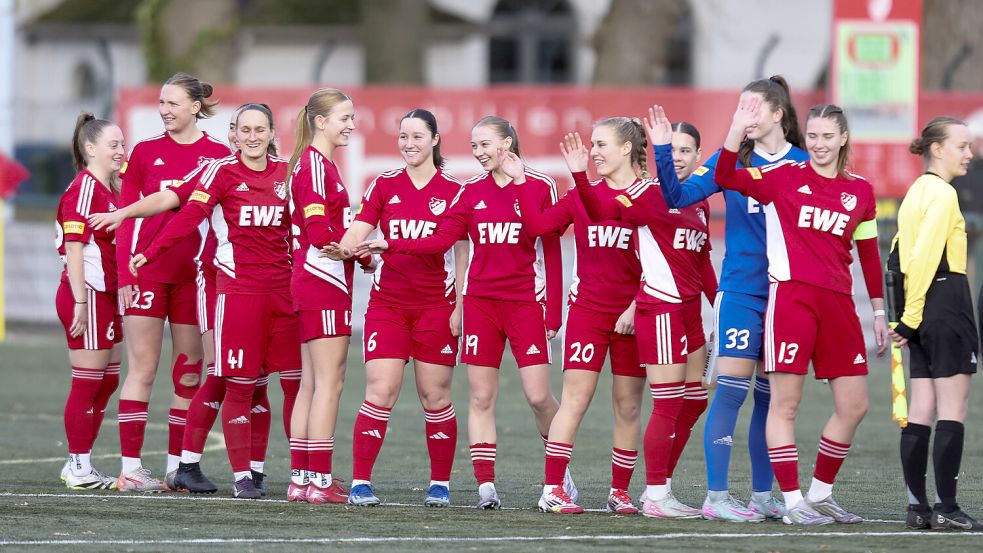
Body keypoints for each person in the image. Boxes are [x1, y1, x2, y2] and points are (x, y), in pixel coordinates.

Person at [353, 116, 569, 509]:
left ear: (508, 142)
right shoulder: (469, 193)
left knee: (539, 397)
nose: (479, 152)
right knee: (480, 398)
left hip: (525, 305)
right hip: (482, 305)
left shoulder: (540, 185)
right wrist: (390, 247)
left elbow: (550, 250)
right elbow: (440, 241)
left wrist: (553, 312)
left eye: (486, 144)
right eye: (474, 146)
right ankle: (486, 487)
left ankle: (559, 470)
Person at [708, 98, 888, 525]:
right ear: (803, 137)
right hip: (791, 301)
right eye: (812, 136)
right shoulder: (782, 177)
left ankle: (821, 493)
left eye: (828, 136)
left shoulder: (860, 190)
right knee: (784, 404)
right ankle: (791, 503)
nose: (820, 144)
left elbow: (868, 254)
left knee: (855, 404)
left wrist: (880, 313)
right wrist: (736, 131)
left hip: (840, 305)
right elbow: (724, 176)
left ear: (844, 138)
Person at [89, 106, 280, 494]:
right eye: (239, 128)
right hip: (217, 284)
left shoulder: (281, 172)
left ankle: (292, 473)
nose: (165, 109)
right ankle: (157, 465)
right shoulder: (208, 167)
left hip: (267, 292)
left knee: (246, 378)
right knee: (215, 373)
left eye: (173, 102)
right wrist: (130, 229)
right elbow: (175, 204)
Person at [656, 76, 808, 521]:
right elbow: (675, 196)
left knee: (770, 397)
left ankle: (763, 494)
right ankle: (717, 497)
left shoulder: (804, 164)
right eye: (738, 106)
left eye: (752, 107)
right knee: (731, 391)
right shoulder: (730, 161)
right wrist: (665, 151)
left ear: (777, 114)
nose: (743, 114)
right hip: (741, 291)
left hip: (786, 295)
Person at [321, 109, 465, 507]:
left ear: (435, 140)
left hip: (437, 305)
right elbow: (360, 227)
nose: (409, 143)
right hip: (388, 305)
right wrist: (345, 246)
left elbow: (445, 245)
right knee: (380, 390)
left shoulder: (455, 191)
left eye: (418, 136)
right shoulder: (384, 184)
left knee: (434, 396)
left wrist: (461, 306)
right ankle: (361, 483)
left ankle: (440, 484)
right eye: (403, 136)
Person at [571, 126, 716, 519]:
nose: (680, 158)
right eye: (673, 151)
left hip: (691, 314)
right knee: (665, 402)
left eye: (687, 150)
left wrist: (718, 302)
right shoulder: (647, 193)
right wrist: (580, 177)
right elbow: (600, 211)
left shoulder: (697, 203)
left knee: (694, 399)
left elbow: (700, 260)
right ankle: (655, 492)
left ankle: (661, 485)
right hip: (663, 308)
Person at [514, 117, 645, 515]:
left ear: (627, 148)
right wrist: (521, 181)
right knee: (575, 399)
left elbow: (659, 262)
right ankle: (553, 488)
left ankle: (619, 492)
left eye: (602, 144)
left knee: (629, 406)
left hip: (633, 315)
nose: (594, 152)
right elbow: (537, 226)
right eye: (593, 144)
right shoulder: (581, 195)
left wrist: (635, 306)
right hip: (588, 312)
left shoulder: (648, 195)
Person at [113, 72, 232, 491]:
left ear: (196, 107)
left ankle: (176, 469)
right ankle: (129, 469)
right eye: (161, 103)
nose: (164, 110)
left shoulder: (218, 156)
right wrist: (125, 271)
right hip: (147, 274)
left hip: (194, 279)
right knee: (142, 369)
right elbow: (127, 216)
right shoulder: (145, 153)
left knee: (188, 376)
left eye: (173, 103)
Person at [889, 116, 981, 530]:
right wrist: (908, 320)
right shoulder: (942, 194)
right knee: (953, 408)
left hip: (922, 305)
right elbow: (924, 256)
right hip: (944, 303)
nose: (970, 153)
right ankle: (947, 508)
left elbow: (897, 257)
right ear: (937, 149)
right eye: (962, 146)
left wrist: (905, 316)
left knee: (921, 409)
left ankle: (918, 508)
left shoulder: (915, 192)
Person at [283, 88, 362, 504]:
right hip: (322, 282)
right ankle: (319, 481)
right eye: (344, 117)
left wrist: (355, 252)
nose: (351, 124)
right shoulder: (315, 165)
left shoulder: (319, 163)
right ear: (320, 121)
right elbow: (319, 235)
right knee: (329, 383)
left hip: (316, 280)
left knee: (311, 385)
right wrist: (356, 249)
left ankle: (301, 480)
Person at [56, 113, 126, 490]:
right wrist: (81, 302)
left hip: (107, 295)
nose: (120, 151)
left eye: (122, 144)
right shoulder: (84, 188)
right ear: (90, 149)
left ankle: (79, 462)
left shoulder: (111, 188)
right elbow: (75, 247)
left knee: (107, 380)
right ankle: (78, 464)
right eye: (113, 145)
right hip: (89, 294)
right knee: (87, 381)